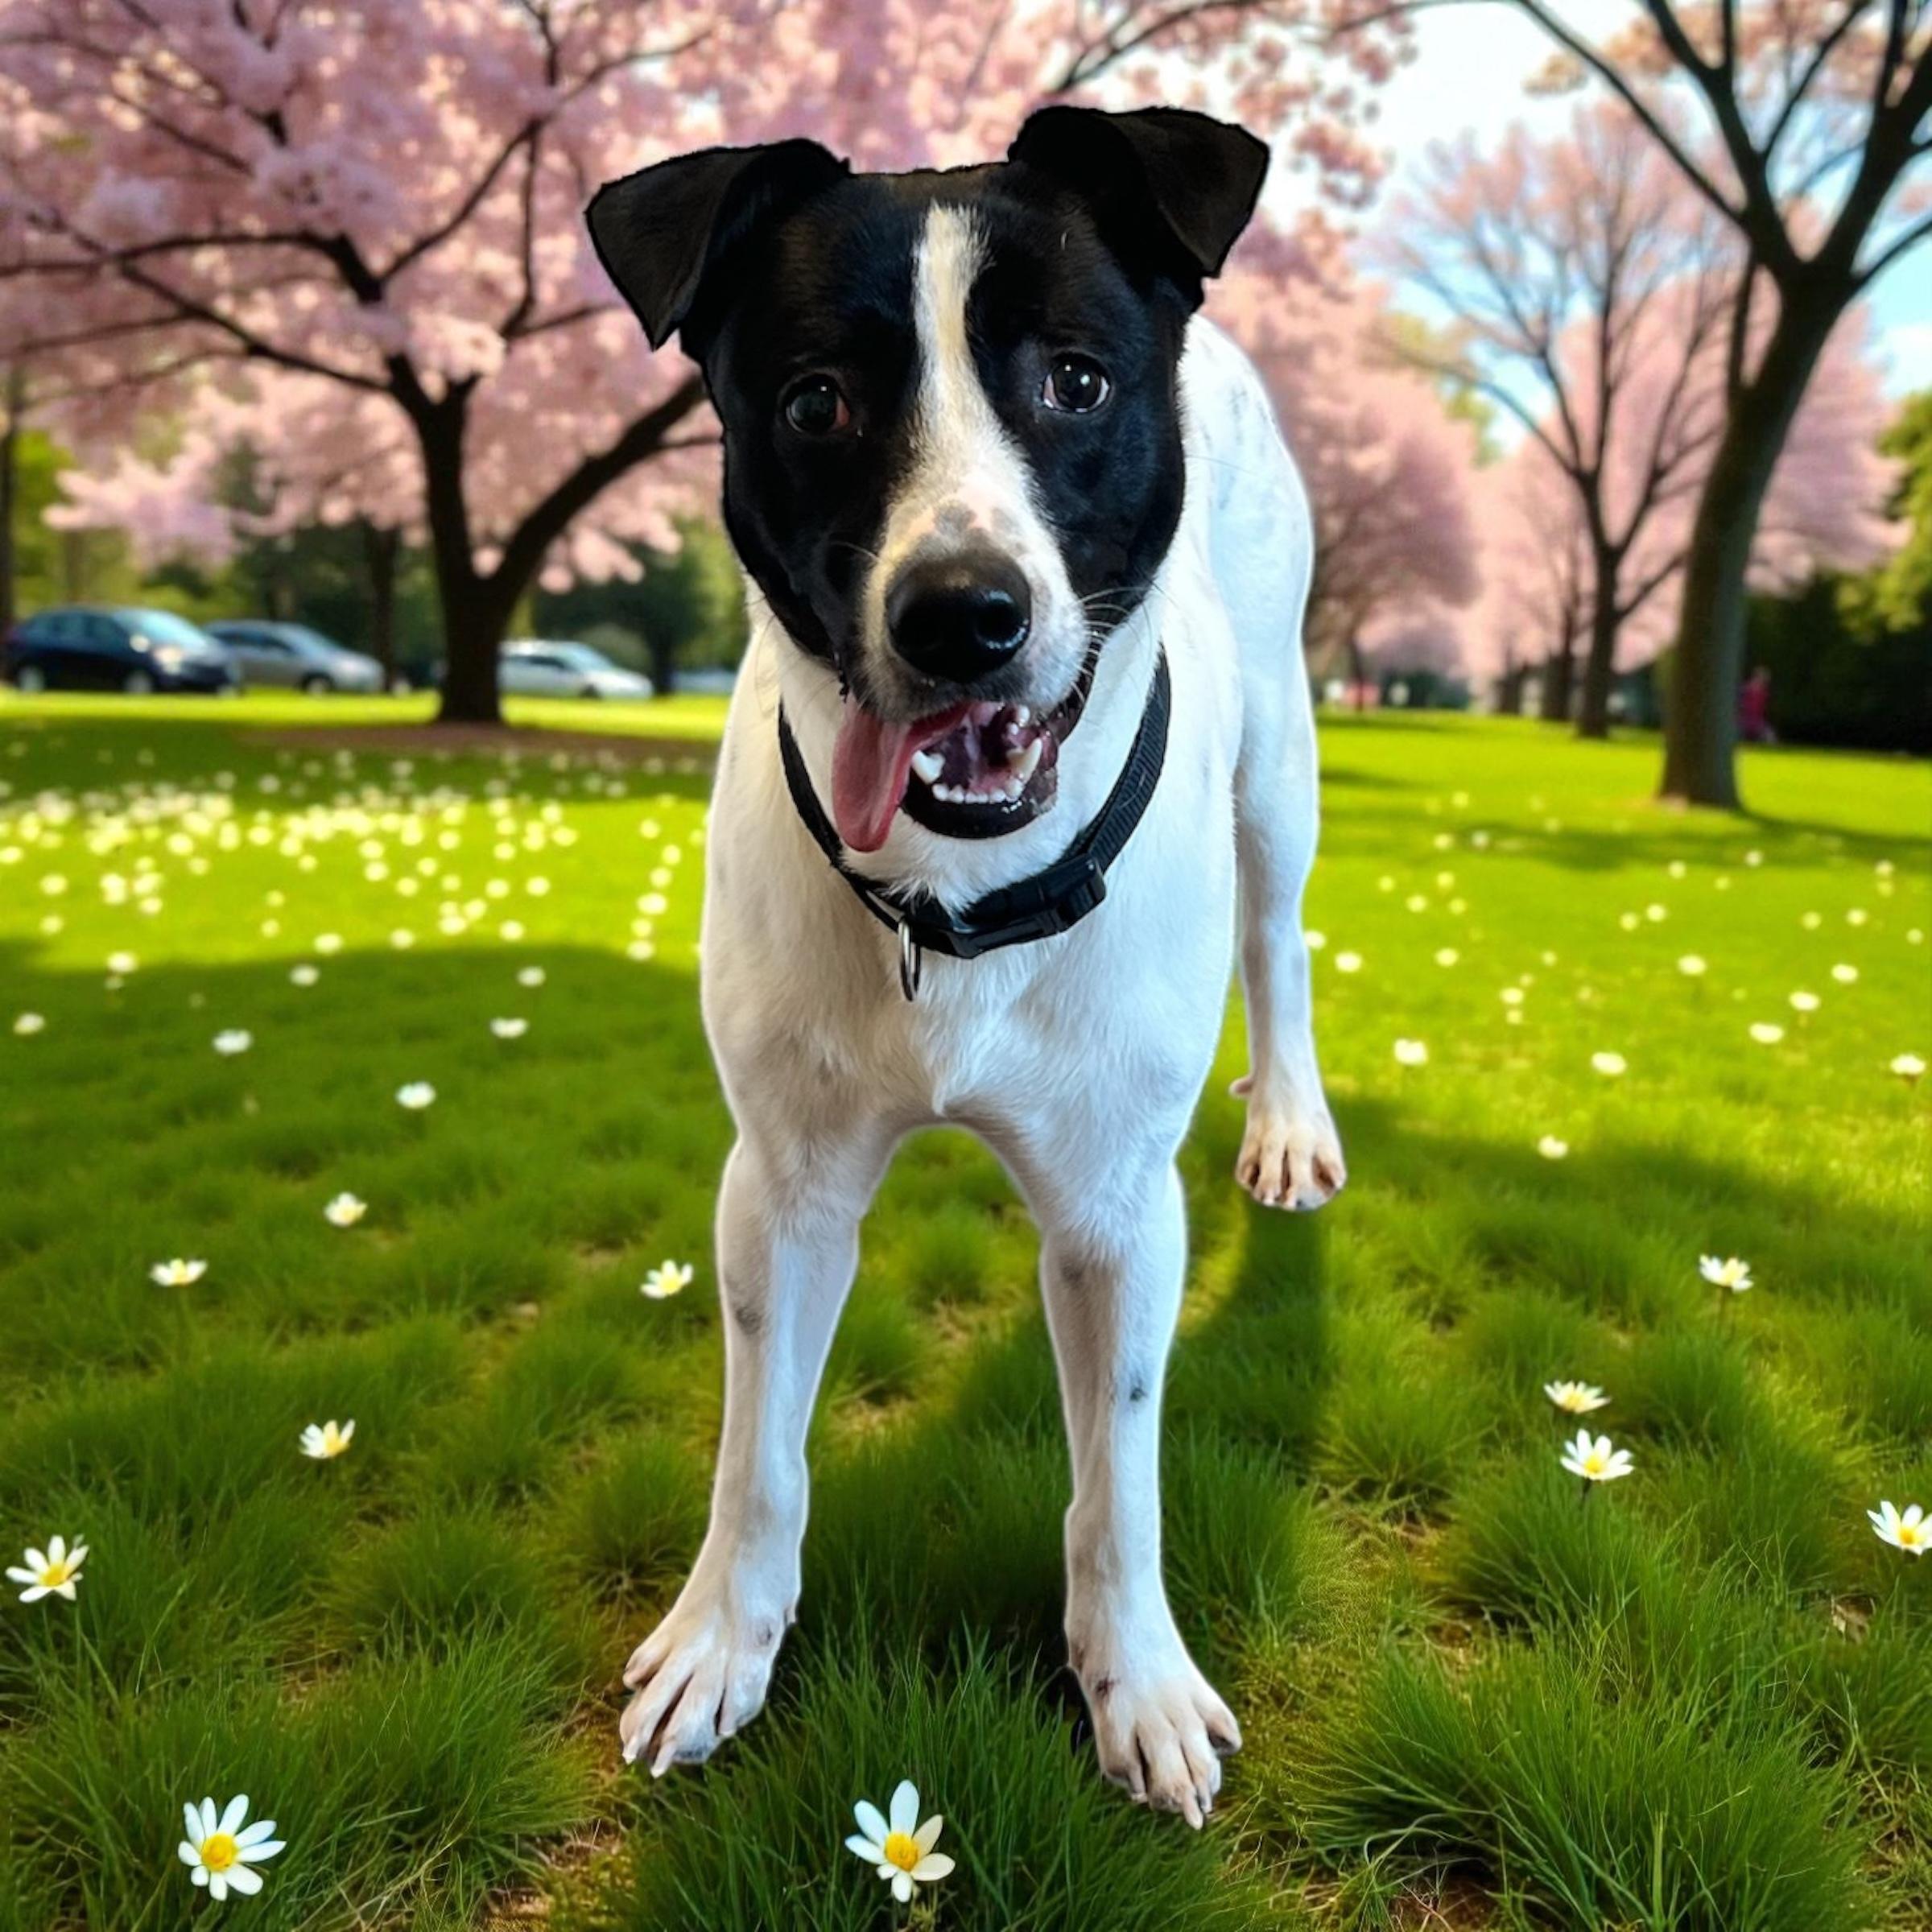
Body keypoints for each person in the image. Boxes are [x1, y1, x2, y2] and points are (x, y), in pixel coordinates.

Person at [1738, 666, 1775, 745]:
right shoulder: (1745, 690)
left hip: (1757, 722)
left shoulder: (1764, 693)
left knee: (1770, 737)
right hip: (1744, 720)